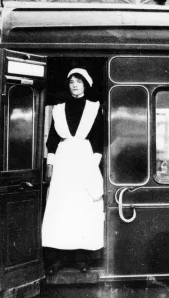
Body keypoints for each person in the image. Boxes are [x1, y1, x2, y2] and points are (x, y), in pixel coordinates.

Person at [42, 68, 104, 275]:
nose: (75, 85)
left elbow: (98, 139)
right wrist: (50, 164)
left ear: (85, 84)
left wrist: (92, 164)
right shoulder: (58, 109)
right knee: (61, 208)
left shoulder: (94, 108)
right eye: (71, 82)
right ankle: (59, 259)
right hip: (63, 159)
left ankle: (81, 258)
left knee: (82, 208)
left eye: (79, 81)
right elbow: (52, 138)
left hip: (85, 158)